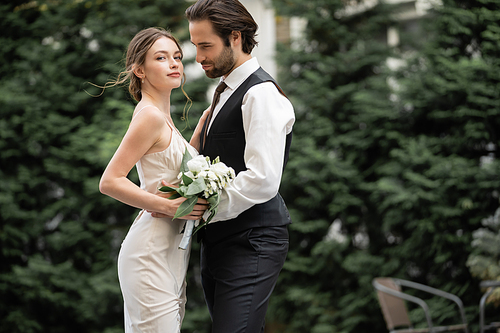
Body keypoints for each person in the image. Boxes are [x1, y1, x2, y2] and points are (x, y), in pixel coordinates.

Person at [186, 0, 295, 331]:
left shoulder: (261, 94)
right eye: (195, 46)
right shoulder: (222, 92)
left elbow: (262, 179)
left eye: (206, 46)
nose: (198, 56)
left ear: (235, 37)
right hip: (219, 240)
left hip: (252, 239)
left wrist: (205, 209)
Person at [98, 27, 208, 333]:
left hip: (170, 251)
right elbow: (110, 181)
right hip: (150, 252)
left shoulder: (161, 115)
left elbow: (170, 170)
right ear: (139, 70)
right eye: (161, 58)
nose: (174, 64)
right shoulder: (150, 116)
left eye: (176, 56)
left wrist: (198, 133)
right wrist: (171, 207)